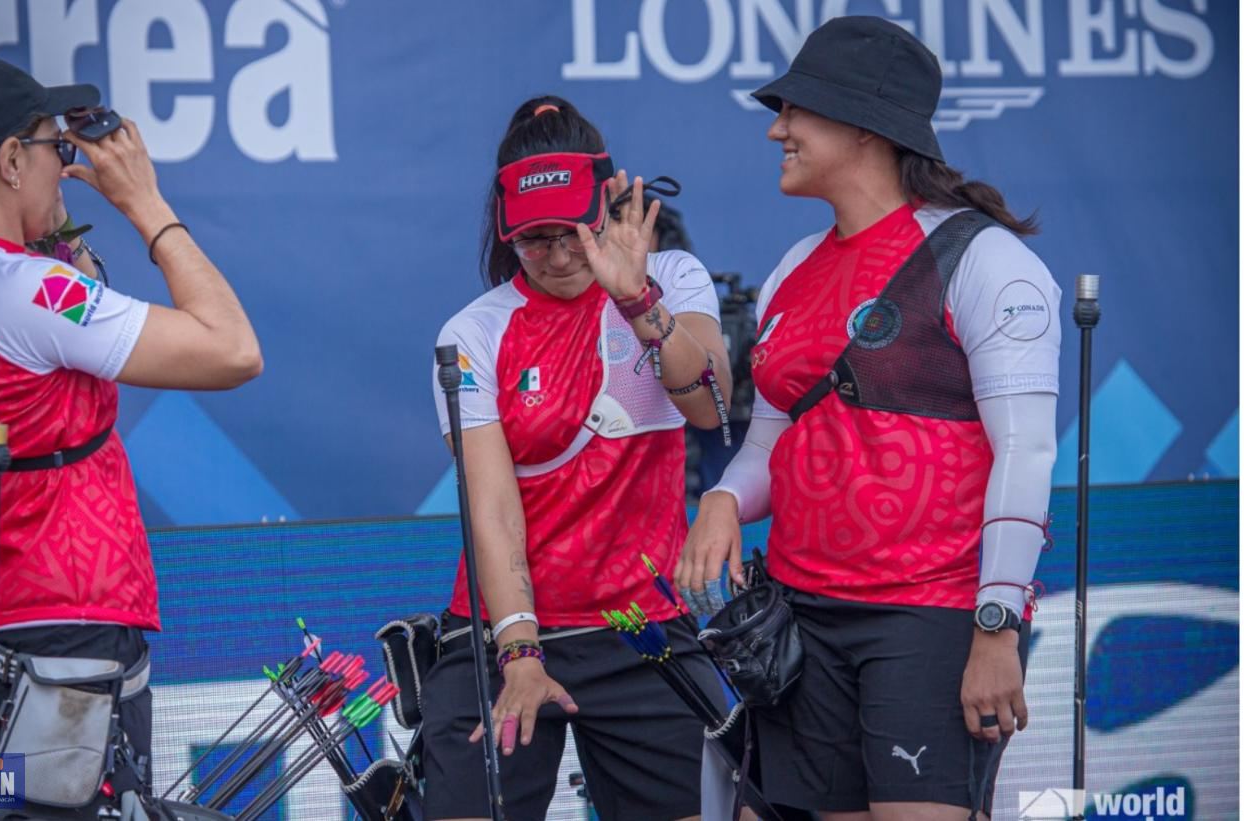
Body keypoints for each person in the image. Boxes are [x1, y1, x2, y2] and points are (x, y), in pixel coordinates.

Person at [677, 17, 1061, 821]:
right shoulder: (792, 268)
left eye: (795, 110)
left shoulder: (983, 259)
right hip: (801, 619)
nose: (776, 129)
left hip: (929, 615)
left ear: (863, 126)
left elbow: (1025, 451)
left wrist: (996, 625)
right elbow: (769, 441)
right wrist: (722, 498)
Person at [0, 56, 262, 813]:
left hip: (5, 633)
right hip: (67, 639)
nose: (67, 164)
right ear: (10, 161)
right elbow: (234, 350)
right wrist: (147, 205)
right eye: (55, 146)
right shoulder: (22, 289)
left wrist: (56, 230)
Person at [424, 95, 733, 820]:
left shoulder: (674, 277)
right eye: (535, 240)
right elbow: (492, 509)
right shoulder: (473, 332)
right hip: (506, 629)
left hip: (640, 628)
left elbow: (710, 405)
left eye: (574, 232)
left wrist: (636, 299)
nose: (560, 256)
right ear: (505, 229)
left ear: (610, 201)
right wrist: (520, 653)